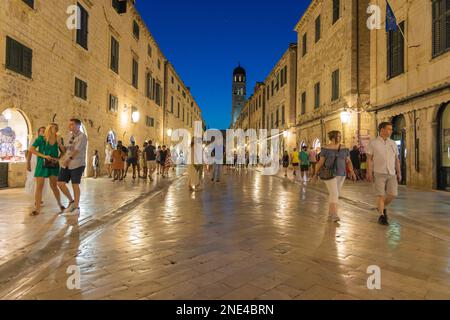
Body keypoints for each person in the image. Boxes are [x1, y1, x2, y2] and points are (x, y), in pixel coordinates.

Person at [313, 131, 356, 222]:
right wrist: (315, 174)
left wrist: (352, 171)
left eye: (340, 136)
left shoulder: (344, 149)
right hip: (329, 173)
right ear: (332, 138)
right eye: (338, 136)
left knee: (335, 194)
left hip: (341, 174)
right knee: (334, 193)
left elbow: (348, 161)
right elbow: (320, 162)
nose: (340, 138)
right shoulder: (325, 148)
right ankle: (334, 214)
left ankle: (330, 214)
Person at [366, 122, 401, 226]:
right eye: (389, 129)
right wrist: (369, 172)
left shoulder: (393, 143)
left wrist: (399, 172)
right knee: (380, 195)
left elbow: (396, 159)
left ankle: (381, 207)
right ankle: (382, 216)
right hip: (378, 172)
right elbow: (369, 159)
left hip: (392, 172)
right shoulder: (373, 143)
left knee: (393, 194)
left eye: (391, 129)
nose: (390, 131)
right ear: (382, 130)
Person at [29, 124, 65, 216]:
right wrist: (44, 156)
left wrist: (58, 158)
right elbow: (32, 149)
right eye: (54, 128)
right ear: (49, 129)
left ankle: (60, 204)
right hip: (42, 164)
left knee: (54, 185)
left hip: (53, 164)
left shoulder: (58, 139)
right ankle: (37, 209)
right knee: (39, 185)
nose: (56, 130)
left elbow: (63, 151)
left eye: (57, 128)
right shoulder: (41, 139)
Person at [57, 118, 88, 216]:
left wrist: (69, 159)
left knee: (75, 184)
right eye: (69, 124)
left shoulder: (82, 136)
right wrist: (59, 143)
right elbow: (65, 150)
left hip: (77, 164)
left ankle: (76, 207)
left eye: (72, 124)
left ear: (78, 126)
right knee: (60, 183)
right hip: (66, 163)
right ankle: (71, 201)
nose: (70, 126)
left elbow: (77, 150)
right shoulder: (69, 136)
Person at [25, 127, 48, 201]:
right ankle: (36, 198)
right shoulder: (35, 140)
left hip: (43, 162)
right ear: (38, 132)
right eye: (41, 131)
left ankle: (39, 198)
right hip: (34, 162)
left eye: (44, 131)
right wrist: (28, 163)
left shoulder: (47, 140)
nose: (42, 132)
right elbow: (29, 152)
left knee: (42, 181)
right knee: (33, 179)